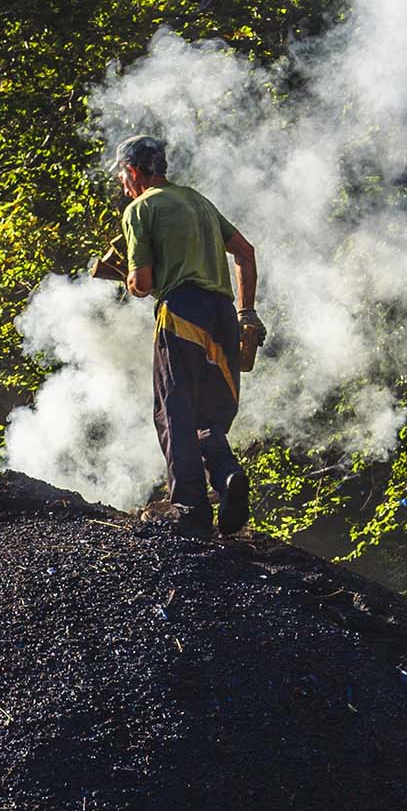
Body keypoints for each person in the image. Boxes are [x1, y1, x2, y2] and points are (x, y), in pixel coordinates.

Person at [111, 134, 265, 538]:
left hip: (182, 312)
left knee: (173, 412)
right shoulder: (197, 200)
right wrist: (247, 312)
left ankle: (191, 508)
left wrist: (128, 277)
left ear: (132, 172)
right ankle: (227, 476)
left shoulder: (139, 209)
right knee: (207, 416)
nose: (123, 187)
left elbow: (142, 282)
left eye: (122, 179)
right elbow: (245, 252)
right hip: (224, 317)